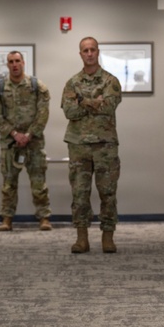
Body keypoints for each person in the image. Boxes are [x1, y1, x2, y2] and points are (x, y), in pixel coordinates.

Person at [61, 36, 122, 254]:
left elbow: (109, 106)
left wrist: (82, 101)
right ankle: (82, 238)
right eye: (85, 50)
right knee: (79, 193)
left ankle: (108, 237)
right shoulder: (72, 82)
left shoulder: (110, 81)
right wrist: (95, 102)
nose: (89, 53)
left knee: (108, 192)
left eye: (92, 49)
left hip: (105, 146)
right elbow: (69, 111)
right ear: (80, 54)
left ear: (98, 52)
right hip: (79, 146)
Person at [0, 50, 52, 231]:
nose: (14, 64)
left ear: (23, 63)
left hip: (34, 143)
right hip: (10, 144)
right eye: (11, 61)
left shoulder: (37, 87)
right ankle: (7, 219)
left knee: (39, 183)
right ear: (7, 65)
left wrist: (29, 135)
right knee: (8, 184)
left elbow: (43, 114)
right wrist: (15, 134)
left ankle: (44, 218)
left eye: (17, 61)